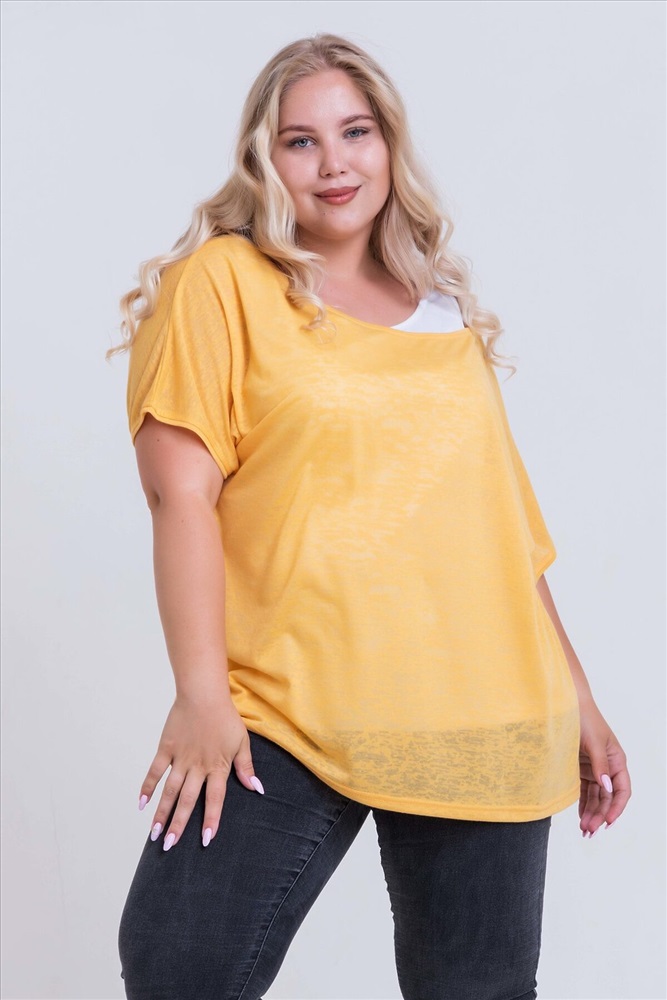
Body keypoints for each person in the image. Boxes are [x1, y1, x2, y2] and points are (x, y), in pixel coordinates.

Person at [111, 32, 631, 1000]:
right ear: (263, 158)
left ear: (389, 143)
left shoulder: (443, 316)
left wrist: (581, 698)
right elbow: (179, 494)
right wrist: (200, 694)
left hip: (481, 708)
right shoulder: (222, 282)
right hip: (288, 700)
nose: (333, 163)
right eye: (300, 140)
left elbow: (500, 538)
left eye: (355, 132)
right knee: (181, 965)